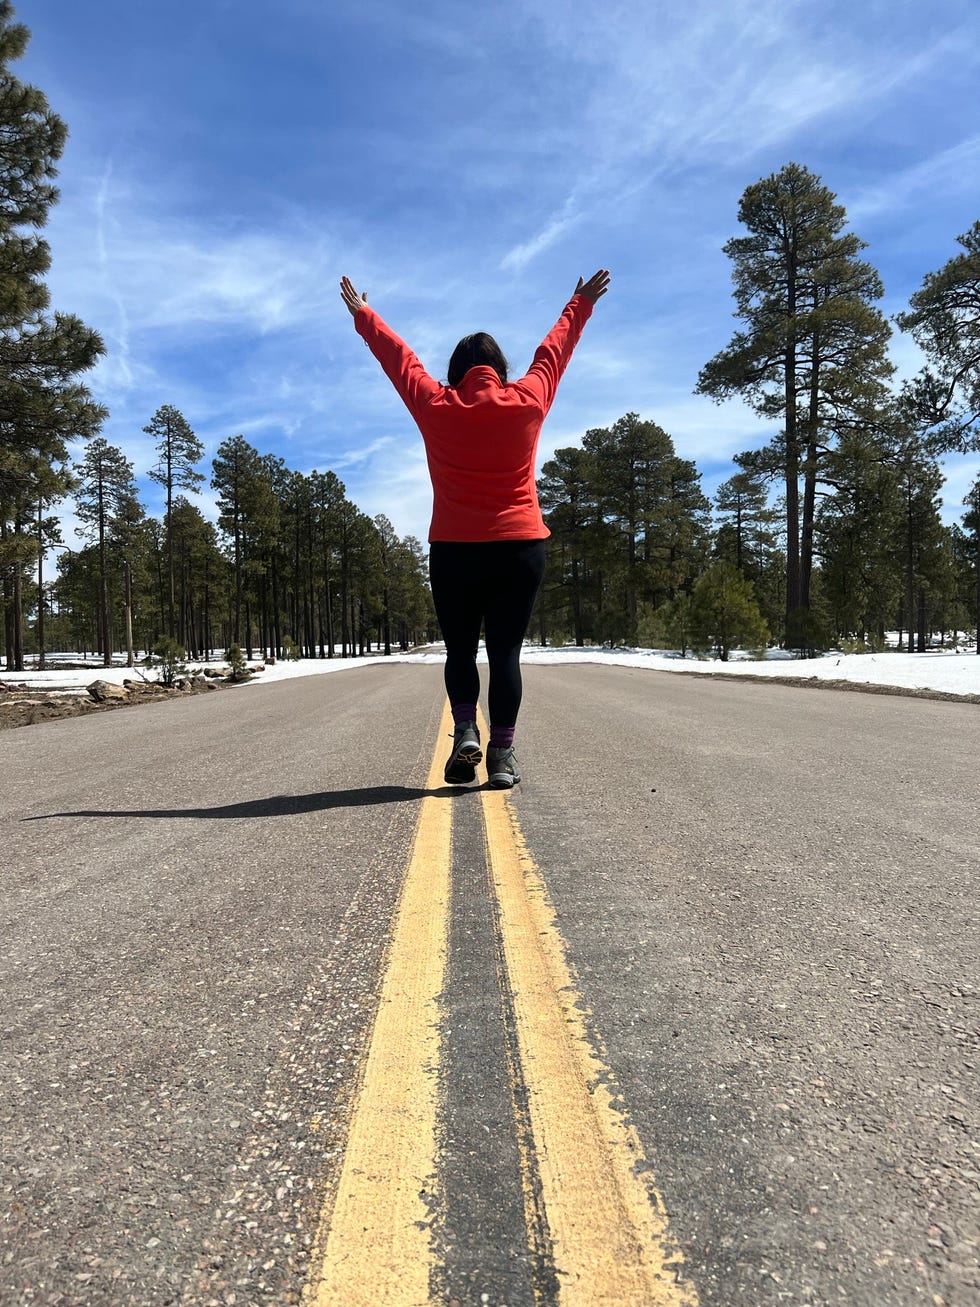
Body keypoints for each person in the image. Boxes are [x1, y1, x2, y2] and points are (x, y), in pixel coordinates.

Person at [339, 268, 611, 787]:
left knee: (461, 651)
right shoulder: (528, 399)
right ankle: (502, 758)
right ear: (498, 369)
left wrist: (364, 315)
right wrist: (578, 303)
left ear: (457, 370)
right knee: (505, 653)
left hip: (455, 549)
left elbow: (400, 361)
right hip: (520, 547)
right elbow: (552, 353)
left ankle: (466, 727)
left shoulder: (436, 404)